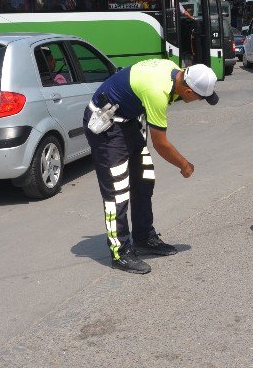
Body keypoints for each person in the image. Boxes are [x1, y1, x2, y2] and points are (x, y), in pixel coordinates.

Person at [83, 59, 219, 274]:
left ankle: (144, 237)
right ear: (188, 91)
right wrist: (184, 165)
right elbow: (161, 144)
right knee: (117, 191)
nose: (198, 101)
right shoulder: (157, 91)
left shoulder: (172, 71)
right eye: (200, 97)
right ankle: (120, 252)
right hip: (106, 125)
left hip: (128, 122)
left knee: (143, 181)